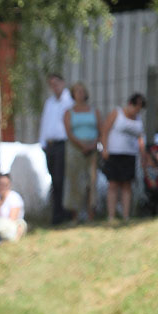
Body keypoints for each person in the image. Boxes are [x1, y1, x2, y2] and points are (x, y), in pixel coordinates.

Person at [101, 93, 146, 224]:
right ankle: (111, 216)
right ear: (130, 104)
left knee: (127, 185)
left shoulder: (138, 119)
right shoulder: (117, 113)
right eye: (136, 107)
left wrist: (143, 155)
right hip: (114, 154)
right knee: (113, 184)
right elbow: (105, 130)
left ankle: (126, 216)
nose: (137, 111)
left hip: (130, 154)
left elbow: (140, 138)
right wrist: (104, 148)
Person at [62, 82, 102, 222]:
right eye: (77, 91)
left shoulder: (94, 111)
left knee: (91, 181)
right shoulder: (69, 112)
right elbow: (69, 132)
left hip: (92, 149)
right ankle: (75, 216)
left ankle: (91, 215)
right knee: (74, 181)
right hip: (75, 149)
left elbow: (100, 130)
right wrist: (81, 145)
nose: (80, 93)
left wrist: (92, 145)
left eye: (82, 91)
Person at [39, 73, 74, 225]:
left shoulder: (69, 101)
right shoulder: (50, 102)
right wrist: (43, 143)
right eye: (51, 84)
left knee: (61, 179)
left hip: (63, 143)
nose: (55, 87)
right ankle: (57, 211)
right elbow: (45, 123)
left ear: (63, 83)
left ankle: (60, 213)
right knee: (54, 179)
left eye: (57, 83)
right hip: (50, 145)